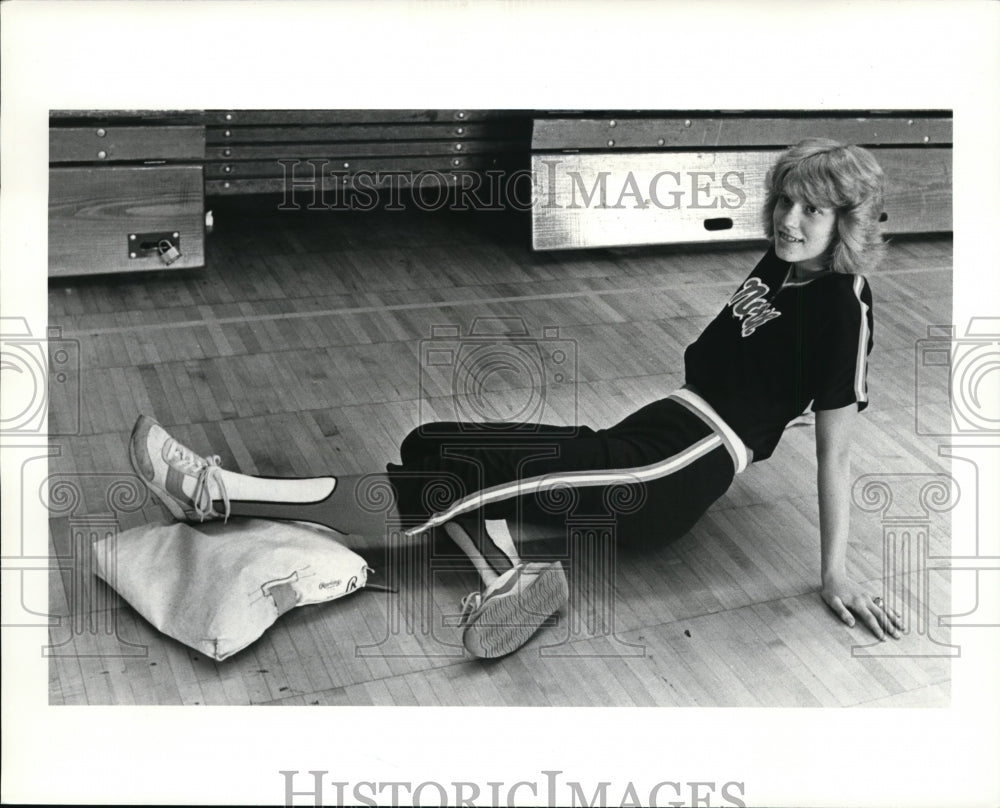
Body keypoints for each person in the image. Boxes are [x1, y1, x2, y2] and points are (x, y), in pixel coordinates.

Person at [128, 138, 904, 660]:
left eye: (813, 210)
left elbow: (835, 453)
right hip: (652, 430)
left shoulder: (842, 306)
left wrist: (834, 573)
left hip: (673, 470)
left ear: (847, 222)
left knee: (445, 479)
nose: (790, 220)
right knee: (432, 441)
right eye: (786, 202)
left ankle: (222, 493)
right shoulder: (781, 264)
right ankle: (514, 577)